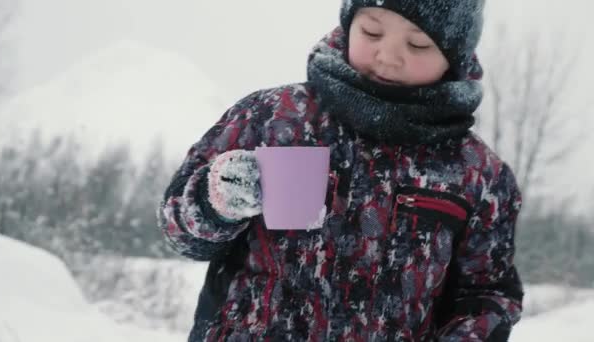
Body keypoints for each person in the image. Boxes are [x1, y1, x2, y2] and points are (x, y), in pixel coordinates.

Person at [158, 1, 524, 340]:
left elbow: (487, 293)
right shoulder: (275, 119)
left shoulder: (478, 174)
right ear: (348, 26)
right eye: (372, 33)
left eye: (418, 45)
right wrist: (215, 201)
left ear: (455, 58)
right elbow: (181, 230)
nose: (388, 56)